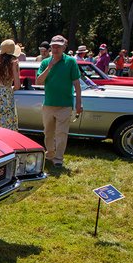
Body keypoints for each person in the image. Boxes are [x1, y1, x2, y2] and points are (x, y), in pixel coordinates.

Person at [35, 35, 82, 168]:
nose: (55, 49)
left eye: (58, 46)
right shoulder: (45, 62)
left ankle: (58, 158)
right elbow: (38, 81)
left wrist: (79, 103)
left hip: (65, 105)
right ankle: (50, 154)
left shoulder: (71, 62)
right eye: (53, 46)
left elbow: (77, 84)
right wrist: (49, 67)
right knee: (48, 132)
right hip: (49, 104)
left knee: (61, 133)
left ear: (64, 47)